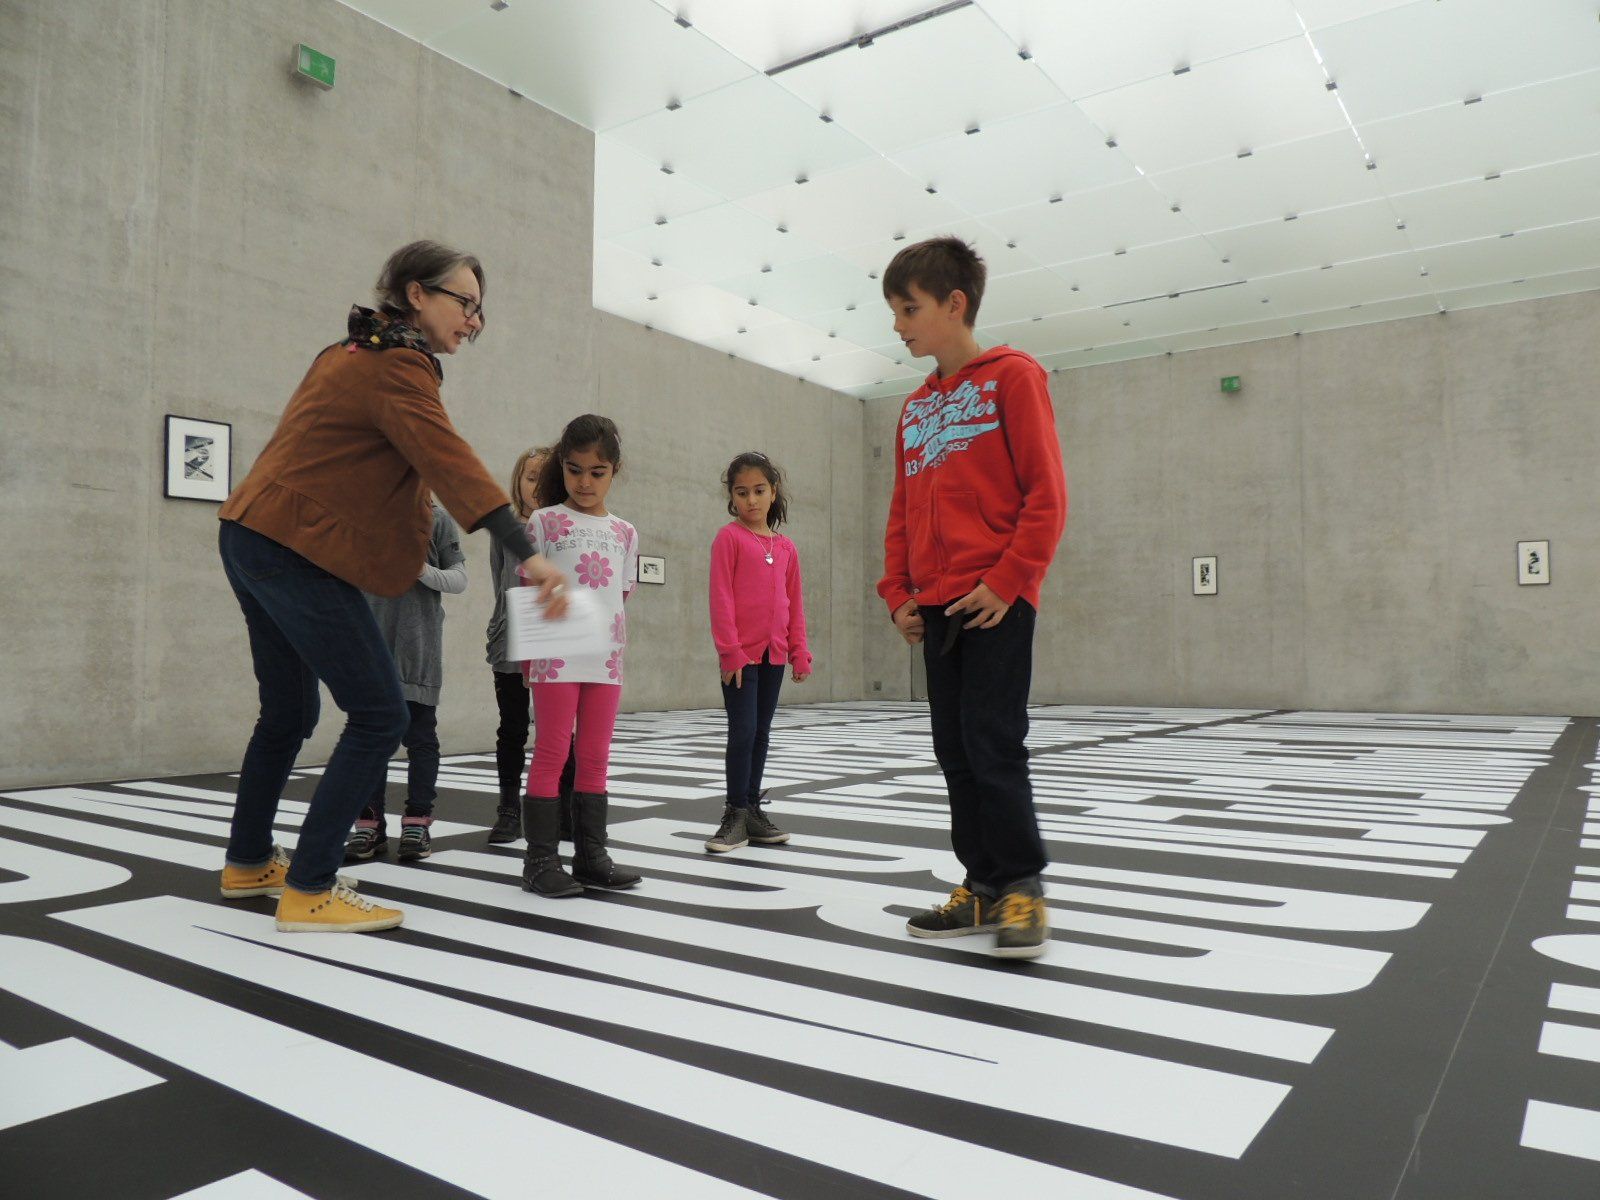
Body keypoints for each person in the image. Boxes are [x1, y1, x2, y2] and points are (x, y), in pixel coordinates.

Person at [216, 240, 567, 934]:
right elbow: (448, 458)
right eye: (465, 302)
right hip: (293, 547)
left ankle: (249, 862)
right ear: (415, 293)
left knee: (288, 714)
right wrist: (527, 551)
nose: (474, 320)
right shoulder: (398, 364)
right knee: (381, 713)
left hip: (252, 533)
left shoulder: (350, 350)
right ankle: (310, 887)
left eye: (480, 310)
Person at [877, 235, 1067, 959]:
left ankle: (1022, 886)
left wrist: (1009, 581)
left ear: (954, 304)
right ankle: (982, 884)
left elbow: (1047, 497)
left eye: (909, 309)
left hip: (995, 600)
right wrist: (897, 591)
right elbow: (902, 512)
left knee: (993, 745)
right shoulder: (914, 409)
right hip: (935, 605)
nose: (898, 324)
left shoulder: (1014, 378)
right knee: (954, 750)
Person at [518, 414, 642, 897]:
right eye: (574, 470)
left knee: (594, 755)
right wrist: (529, 661)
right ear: (563, 468)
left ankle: (591, 857)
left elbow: (620, 595)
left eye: (597, 472)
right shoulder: (544, 521)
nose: (585, 482)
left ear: (614, 471)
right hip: (554, 654)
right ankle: (540, 862)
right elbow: (529, 591)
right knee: (552, 751)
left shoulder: (625, 532)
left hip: (605, 656)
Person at [343, 499, 467, 863]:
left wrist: (420, 570)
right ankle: (369, 825)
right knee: (369, 739)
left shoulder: (437, 518)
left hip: (417, 649)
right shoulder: (362, 513)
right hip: (371, 646)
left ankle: (417, 822)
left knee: (421, 737)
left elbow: (459, 579)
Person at [704, 452, 812, 853]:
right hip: (741, 656)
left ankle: (751, 809)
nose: (751, 500)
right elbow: (720, 598)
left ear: (773, 492)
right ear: (732, 496)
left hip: (775, 655)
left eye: (759, 491)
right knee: (743, 731)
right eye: (742, 492)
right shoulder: (729, 538)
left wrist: (799, 650)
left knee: (762, 733)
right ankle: (734, 812)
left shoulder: (786, 548)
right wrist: (729, 651)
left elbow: (794, 603)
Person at [485, 446, 575, 846]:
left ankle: (565, 809)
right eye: (530, 477)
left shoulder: (560, 526)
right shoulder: (506, 531)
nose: (536, 486)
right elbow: (500, 582)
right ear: (518, 482)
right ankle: (508, 810)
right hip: (511, 642)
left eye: (544, 478)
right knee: (513, 727)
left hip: (554, 640)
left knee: (559, 729)